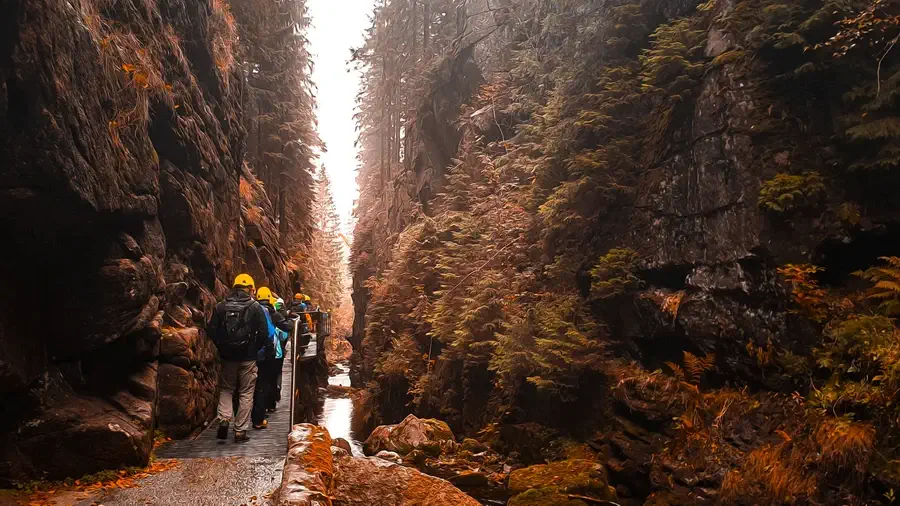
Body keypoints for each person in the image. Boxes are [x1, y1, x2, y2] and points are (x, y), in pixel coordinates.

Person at [207, 273, 272, 443]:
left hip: (228, 357)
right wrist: (254, 349)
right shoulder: (255, 307)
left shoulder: (220, 307)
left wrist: (222, 347)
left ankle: (224, 419)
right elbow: (264, 333)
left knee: (227, 389)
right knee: (246, 392)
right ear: (250, 288)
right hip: (248, 358)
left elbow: (212, 331)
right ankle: (240, 431)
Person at [252, 287, 293, 428]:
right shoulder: (273, 312)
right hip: (271, 353)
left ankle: (247, 416)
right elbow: (287, 327)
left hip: (251, 353)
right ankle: (268, 407)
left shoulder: (252, 309)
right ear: (270, 298)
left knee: (250, 385)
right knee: (268, 380)